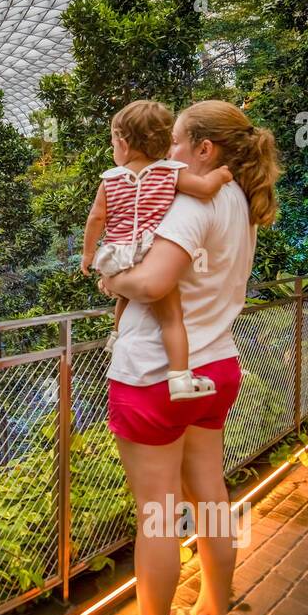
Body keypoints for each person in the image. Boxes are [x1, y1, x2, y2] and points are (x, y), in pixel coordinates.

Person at [92, 100, 280, 615]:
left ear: (204, 149)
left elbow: (151, 281)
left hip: (154, 378)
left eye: (177, 142)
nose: (169, 154)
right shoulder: (241, 202)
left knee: (156, 516)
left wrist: (106, 277)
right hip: (215, 369)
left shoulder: (187, 203)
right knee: (211, 497)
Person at [81, 100, 234, 400]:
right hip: (151, 251)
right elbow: (204, 188)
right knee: (171, 319)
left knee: (124, 294)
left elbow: (96, 218)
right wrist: (222, 176)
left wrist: (88, 255)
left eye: (112, 142)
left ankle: (117, 336)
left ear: (123, 144)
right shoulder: (170, 174)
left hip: (119, 252)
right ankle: (179, 376)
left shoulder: (110, 181)